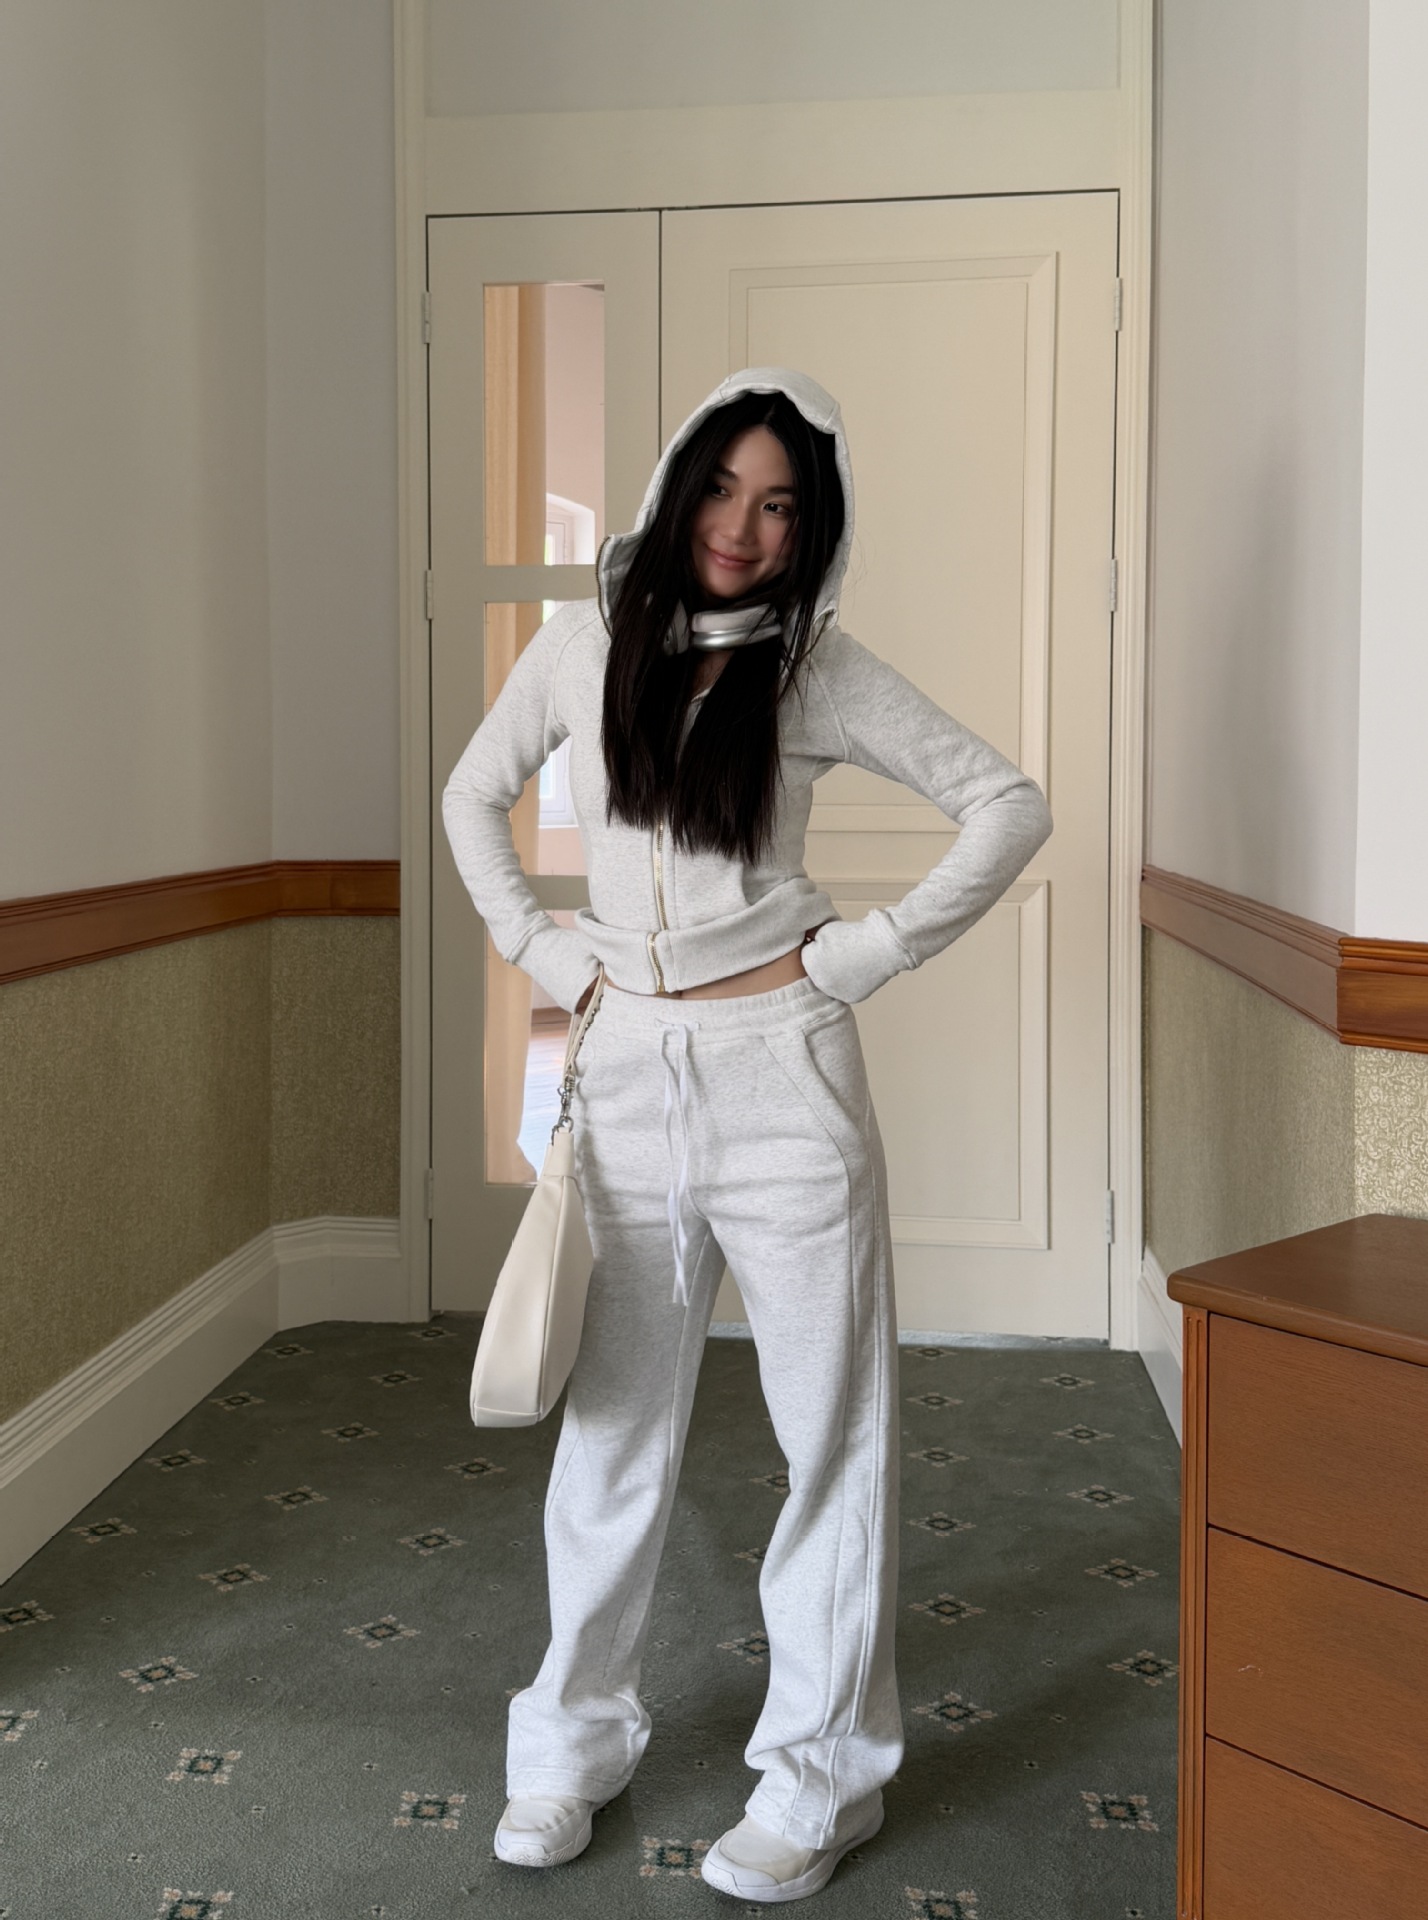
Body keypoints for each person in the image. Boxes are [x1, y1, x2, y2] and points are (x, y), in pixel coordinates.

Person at [442, 367, 1052, 1902]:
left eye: (781, 504)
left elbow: (1007, 802)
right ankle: (571, 1741)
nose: (743, 525)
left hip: (786, 1078)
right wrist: (547, 955)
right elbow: (471, 796)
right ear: (677, 486)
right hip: (627, 1070)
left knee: (829, 1434)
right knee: (612, 1424)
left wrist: (862, 956)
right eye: (723, 487)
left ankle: (824, 1777)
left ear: (810, 527)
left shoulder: (816, 671)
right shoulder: (582, 646)